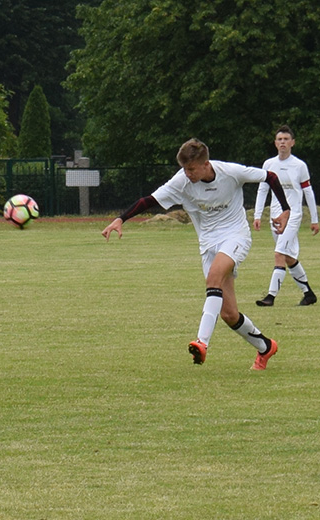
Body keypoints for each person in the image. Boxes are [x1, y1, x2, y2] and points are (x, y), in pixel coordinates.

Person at [102, 138, 291, 370]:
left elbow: (270, 176)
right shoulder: (181, 181)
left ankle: (202, 342)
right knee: (229, 314)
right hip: (208, 244)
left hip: (235, 236)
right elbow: (148, 200)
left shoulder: (230, 172)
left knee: (213, 278)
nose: (187, 174)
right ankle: (265, 347)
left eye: (191, 169)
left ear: (205, 164)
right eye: (184, 168)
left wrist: (286, 210)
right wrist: (121, 219)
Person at [253, 125, 319, 307]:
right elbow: (262, 190)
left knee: (279, 253)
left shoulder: (299, 166)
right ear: (275, 143)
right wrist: (258, 215)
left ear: (292, 143)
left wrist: (315, 219)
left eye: (286, 139)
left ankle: (270, 296)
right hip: (275, 217)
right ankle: (309, 294)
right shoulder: (269, 164)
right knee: (288, 257)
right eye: (279, 139)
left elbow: (308, 193)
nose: (282, 142)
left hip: (294, 215)